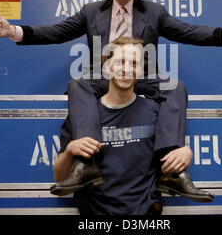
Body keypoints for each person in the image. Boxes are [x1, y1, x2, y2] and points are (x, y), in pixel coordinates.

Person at [0, 0, 222, 201]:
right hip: (105, 75)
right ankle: (86, 164)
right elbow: (57, 32)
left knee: (175, 87)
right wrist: (13, 30)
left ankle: (170, 170)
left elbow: (188, 31)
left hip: (141, 76)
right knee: (78, 83)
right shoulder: (92, 12)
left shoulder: (154, 12)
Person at [52, 36, 201, 215]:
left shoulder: (157, 113)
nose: (126, 70)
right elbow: (60, 178)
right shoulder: (82, 116)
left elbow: (169, 159)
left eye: (134, 64)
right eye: (120, 62)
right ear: (107, 66)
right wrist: (70, 150)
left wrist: (184, 152)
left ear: (141, 70)